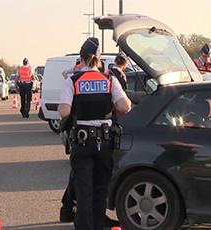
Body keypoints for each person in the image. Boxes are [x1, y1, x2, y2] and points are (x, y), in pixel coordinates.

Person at [58, 37, 131, 230]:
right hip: (105, 142)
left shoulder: (72, 81)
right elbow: (125, 106)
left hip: (82, 142)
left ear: (80, 58)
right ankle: (99, 225)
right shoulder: (109, 79)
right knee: (100, 189)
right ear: (98, 59)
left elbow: (64, 111)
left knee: (83, 190)